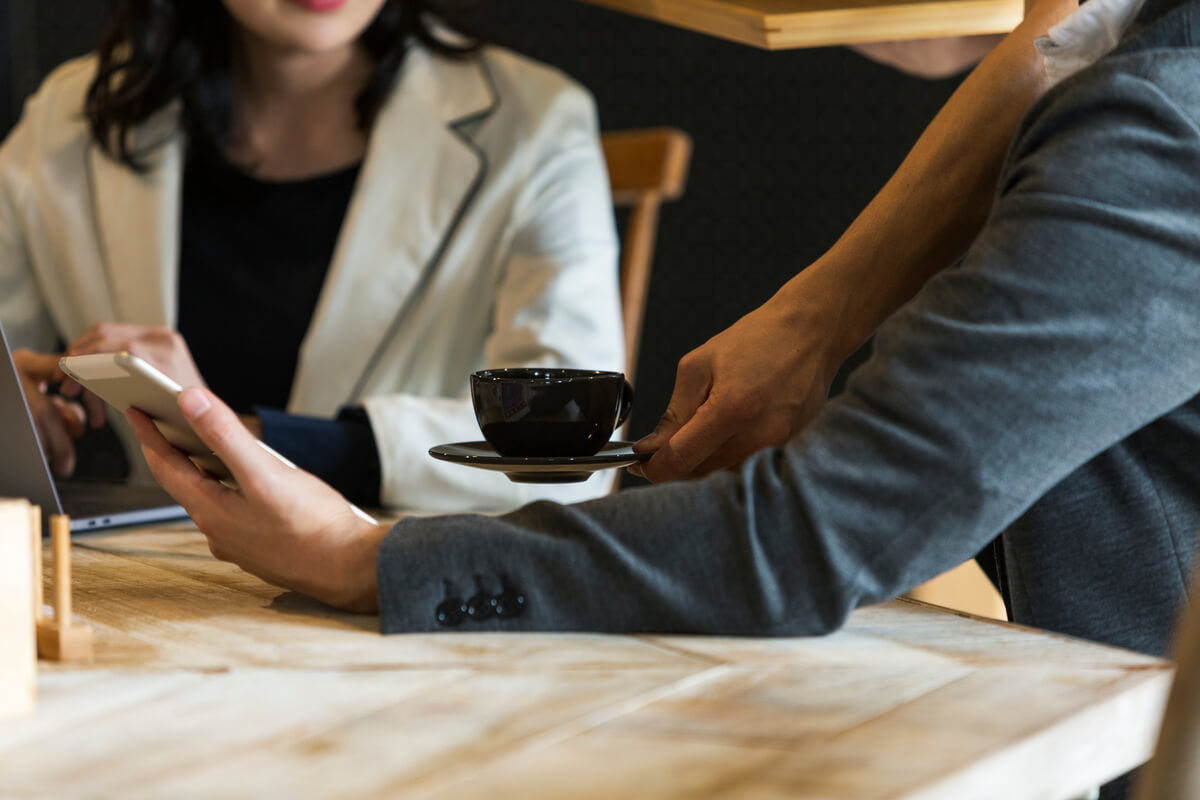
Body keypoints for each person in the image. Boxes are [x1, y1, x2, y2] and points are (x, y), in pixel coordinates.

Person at [0, 0, 624, 512]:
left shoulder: (535, 123)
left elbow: (575, 449)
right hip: (152, 589)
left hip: (388, 595)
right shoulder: (69, 116)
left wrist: (243, 438)